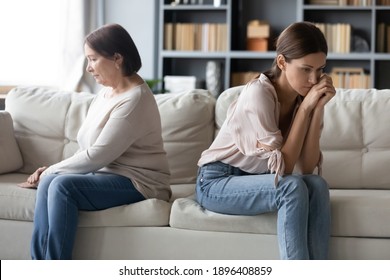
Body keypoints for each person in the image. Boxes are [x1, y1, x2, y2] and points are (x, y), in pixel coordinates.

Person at [20, 23, 171, 259]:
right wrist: (51, 172)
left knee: (60, 184)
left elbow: (97, 155)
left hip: (140, 182)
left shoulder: (134, 100)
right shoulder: (106, 92)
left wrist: (51, 170)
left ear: (117, 58)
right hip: (105, 175)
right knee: (51, 181)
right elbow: (86, 149)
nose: (88, 68)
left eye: (92, 59)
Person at [195, 22, 335, 260]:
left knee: (317, 185)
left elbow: (306, 167)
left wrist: (317, 108)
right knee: (291, 188)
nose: (314, 79)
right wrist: (305, 110)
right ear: (282, 62)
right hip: (217, 181)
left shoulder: (305, 98)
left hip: (254, 178)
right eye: (306, 69)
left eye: (320, 70)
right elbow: (286, 170)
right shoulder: (259, 94)